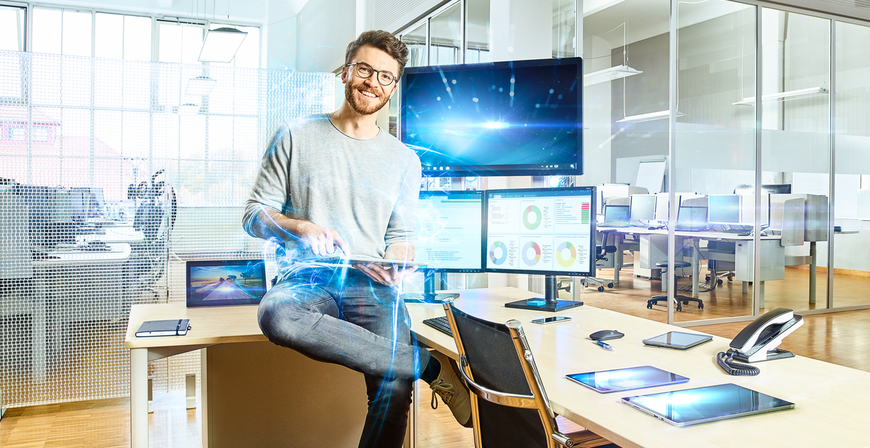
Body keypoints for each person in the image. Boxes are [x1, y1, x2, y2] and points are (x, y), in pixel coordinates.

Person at [242, 30, 472, 447]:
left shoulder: (405, 160)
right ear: (346, 72)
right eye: (365, 69)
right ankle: (427, 366)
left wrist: (398, 261)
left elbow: (400, 235)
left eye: (386, 77)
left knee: (393, 388)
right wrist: (302, 227)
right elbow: (253, 216)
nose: (373, 82)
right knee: (276, 315)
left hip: (373, 282)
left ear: (394, 87)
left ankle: (410, 368)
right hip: (307, 277)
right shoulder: (295, 135)